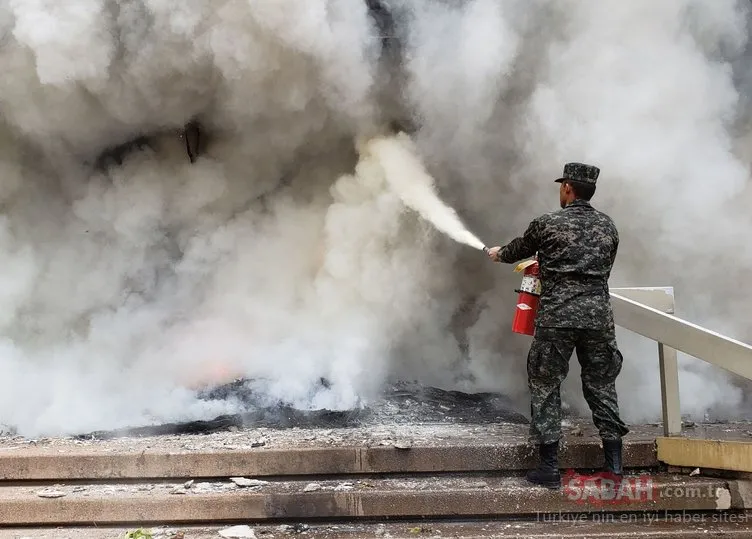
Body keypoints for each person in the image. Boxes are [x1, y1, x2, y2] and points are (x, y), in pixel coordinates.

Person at [486, 162, 629, 489]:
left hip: (558, 317)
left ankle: (549, 468)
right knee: (602, 384)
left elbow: (517, 250)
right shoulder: (609, 227)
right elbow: (602, 268)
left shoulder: (547, 223)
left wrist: (499, 254)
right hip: (598, 317)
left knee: (546, 382)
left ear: (567, 188)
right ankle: (615, 469)